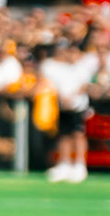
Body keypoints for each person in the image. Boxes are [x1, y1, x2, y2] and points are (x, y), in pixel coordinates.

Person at [40, 40, 100, 182]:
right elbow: (54, 86)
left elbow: (84, 86)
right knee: (63, 135)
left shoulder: (82, 68)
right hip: (63, 107)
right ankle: (64, 164)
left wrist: (72, 97)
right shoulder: (60, 68)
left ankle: (80, 165)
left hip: (78, 107)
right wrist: (62, 98)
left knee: (78, 135)